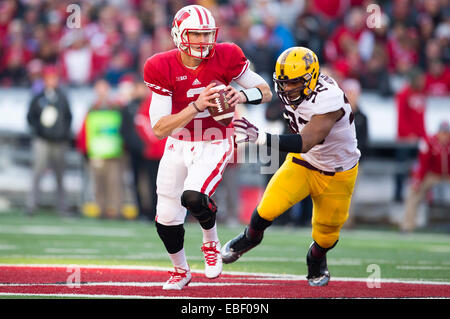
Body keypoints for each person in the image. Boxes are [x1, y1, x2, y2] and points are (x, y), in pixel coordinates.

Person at [143, 4, 272, 290]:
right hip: (178, 144)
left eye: (206, 35)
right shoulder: (160, 65)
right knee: (165, 217)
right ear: (178, 35)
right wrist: (196, 105)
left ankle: (211, 242)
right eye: (196, 35)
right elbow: (160, 128)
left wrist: (241, 94)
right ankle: (180, 270)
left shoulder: (226, 55)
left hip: (215, 140)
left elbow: (265, 92)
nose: (202, 41)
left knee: (194, 196)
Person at [221, 46, 361, 287]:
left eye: (293, 83)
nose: (287, 88)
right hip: (304, 164)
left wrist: (260, 137)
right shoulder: (294, 91)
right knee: (267, 207)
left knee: (327, 233)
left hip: (338, 171)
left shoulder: (329, 99)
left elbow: (305, 142)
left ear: (310, 79)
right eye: (283, 83)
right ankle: (249, 239)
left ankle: (316, 258)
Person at [26, 65, 72, 216]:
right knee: (37, 173)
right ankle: (32, 205)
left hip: (59, 142)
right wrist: (40, 131)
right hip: (43, 141)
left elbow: (68, 117)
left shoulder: (62, 97)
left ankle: (62, 207)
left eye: (55, 78)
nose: (53, 81)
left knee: (60, 176)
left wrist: (63, 134)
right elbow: (30, 117)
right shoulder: (38, 98)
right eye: (50, 78)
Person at [76, 79, 124, 219]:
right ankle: (101, 209)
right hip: (97, 153)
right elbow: (86, 130)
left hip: (114, 153)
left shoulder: (115, 107)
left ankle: (115, 211)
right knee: (99, 185)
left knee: (114, 185)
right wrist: (84, 149)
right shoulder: (92, 108)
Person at [401, 121, 450, 233]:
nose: (444, 136)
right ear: (438, 132)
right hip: (432, 174)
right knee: (413, 192)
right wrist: (418, 180)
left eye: (446, 133)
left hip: (448, 174)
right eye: (443, 132)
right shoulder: (429, 141)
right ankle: (407, 226)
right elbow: (423, 163)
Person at [393, 68, 427, 202]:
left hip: (418, 138)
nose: (423, 82)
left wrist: (424, 135)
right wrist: (407, 134)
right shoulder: (403, 94)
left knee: (418, 167)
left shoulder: (421, 94)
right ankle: (398, 194)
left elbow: (422, 117)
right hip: (405, 139)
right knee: (401, 167)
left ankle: (417, 194)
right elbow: (401, 117)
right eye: (420, 80)